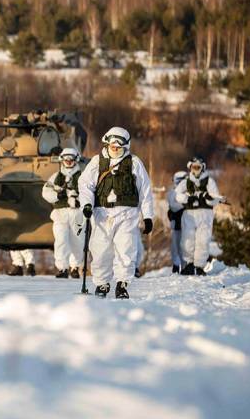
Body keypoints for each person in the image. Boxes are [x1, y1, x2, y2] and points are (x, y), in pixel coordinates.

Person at [78, 126, 154, 299]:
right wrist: (87, 205)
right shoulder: (97, 162)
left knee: (125, 249)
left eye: (119, 146)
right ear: (107, 143)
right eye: (113, 145)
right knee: (100, 250)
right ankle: (102, 283)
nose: (115, 148)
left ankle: (122, 284)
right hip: (101, 213)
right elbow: (85, 186)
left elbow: (145, 190)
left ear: (125, 146)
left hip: (127, 214)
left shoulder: (134, 162)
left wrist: (148, 216)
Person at [175, 157, 224, 276]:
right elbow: (177, 195)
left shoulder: (209, 181)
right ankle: (189, 264)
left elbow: (217, 198)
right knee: (187, 240)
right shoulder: (186, 182)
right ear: (189, 167)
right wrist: (187, 198)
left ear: (203, 168)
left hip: (205, 215)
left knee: (203, 240)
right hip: (189, 214)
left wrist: (209, 199)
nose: (195, 170)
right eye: (193, 167)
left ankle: (199, 266)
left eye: (198, 167)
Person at [42, 147, 85, 279]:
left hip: (77, 214)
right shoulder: (55, 177)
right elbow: (46, 192)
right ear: (61, 160)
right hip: (60, 213)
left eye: (71, 159)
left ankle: (75, 267)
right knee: (61, 241)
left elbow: (90, 193)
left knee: (77, 242)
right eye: (65, 159)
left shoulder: (83, 177)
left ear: (76, 160)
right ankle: (62, 268)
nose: (68, 161)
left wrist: (80, 201)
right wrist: (57, 195)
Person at [167, 171, 187, 273]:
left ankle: (185, 266)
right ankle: (176, 265)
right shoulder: (172, 192)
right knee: (175, 246)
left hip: (186, 223)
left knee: (185, 246)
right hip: (176, 223)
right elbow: (173, 207)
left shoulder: (187, 192)